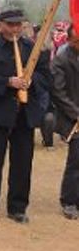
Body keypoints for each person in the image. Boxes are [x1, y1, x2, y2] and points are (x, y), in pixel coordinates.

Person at [0, 9, 51, 224]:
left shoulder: (32, 48)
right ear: (0, 25)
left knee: (23, 162)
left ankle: (17, 207)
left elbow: (47, 77)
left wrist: (31, 79)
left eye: (18, 24)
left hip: (24, 115)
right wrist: (7, 81)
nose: (15, 29)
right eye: (10, 24)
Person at [51, 24, 79, 220]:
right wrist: (76, 114)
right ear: (69, 40)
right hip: (73, 118)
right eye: (77, 40)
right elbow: (58, 93)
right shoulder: (61, 60)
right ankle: (69, 201)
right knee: (76, 161)